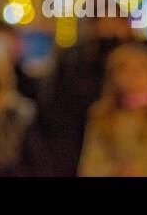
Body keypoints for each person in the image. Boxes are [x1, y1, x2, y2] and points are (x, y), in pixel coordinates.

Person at [22, 13, 134, 176]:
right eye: (102, 21)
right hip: (73, 150)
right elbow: (55, 109)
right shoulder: (75, 61)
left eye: (115, 21)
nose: (108, 27)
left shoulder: (138, 58)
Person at [78, 42, 147, 176]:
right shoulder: (102, 114)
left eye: (140, 68)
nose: (133, 76)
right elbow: (90, 166)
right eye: (124, 69)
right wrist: (116, 171)